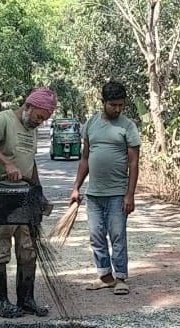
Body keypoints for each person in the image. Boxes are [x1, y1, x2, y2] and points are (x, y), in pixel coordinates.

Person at [0, 87, 57, 318]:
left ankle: (26, 299)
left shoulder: (31, 129)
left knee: (28, 249)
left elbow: (30, 164)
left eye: (44, 119)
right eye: (38, 117)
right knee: (1, 249)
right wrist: (6, 163)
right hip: (1, 195)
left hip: (24, 196)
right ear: (28, 106)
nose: (39, 122)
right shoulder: (4, 120)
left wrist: (39, 192)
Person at [69, 81, 140, 295]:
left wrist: (130, 195)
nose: (117, 109)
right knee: (96, 235)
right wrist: (76, 188)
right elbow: (85, 159)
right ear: (103, 103)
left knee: (117, 235)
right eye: (113, 105)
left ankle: (120, 277)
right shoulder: (91, 124)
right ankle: (105, 276)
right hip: (94, 194)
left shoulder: (128, 126)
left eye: (121, 105)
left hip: (117, 194)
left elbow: (134, 163)